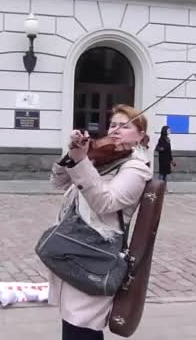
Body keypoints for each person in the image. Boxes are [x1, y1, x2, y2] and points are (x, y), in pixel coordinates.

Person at [47, 104, 152, 340]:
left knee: (82, 326)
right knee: (73, 323)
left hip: (95, 254)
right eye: (113, 124)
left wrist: (82, 161)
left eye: (125, 126)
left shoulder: (135, 169)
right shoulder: (103, 158)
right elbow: (57, 182)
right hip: (75, 245)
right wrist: (74, 154)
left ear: (141, 136)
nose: (116, 130)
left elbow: (106, 203)